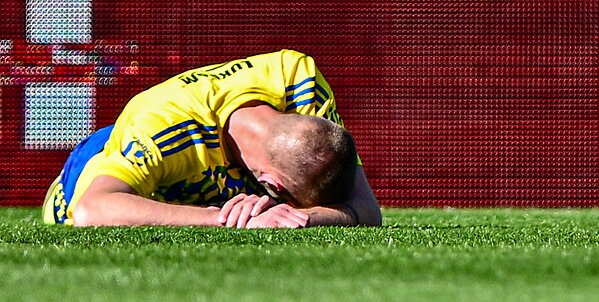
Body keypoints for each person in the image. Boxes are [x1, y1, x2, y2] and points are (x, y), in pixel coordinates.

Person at [43, 49, 379, 227]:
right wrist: (227, 221)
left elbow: (366, 209)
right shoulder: (159, 124)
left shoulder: (300, 80)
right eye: (285, 202)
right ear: (273, 187)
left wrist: (301, 218)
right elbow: (91, 209)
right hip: (97, 168)